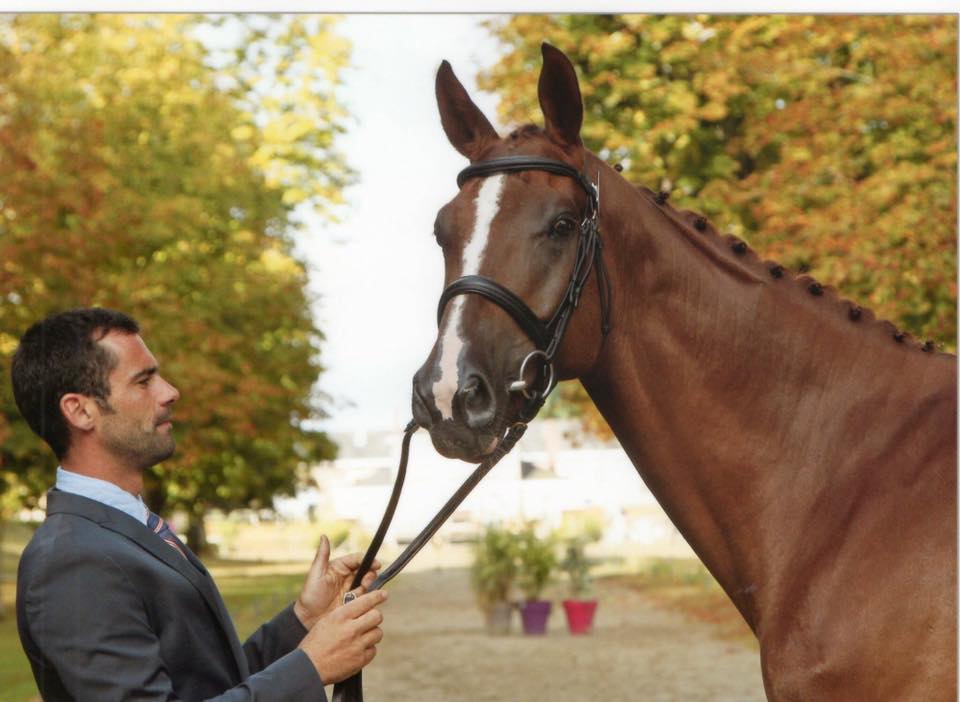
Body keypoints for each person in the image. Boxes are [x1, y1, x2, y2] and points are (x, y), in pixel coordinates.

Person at [11, 307, 387, 701]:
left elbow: (209, 686)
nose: (169, 391)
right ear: (80, 410)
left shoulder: (126, 530)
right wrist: (310, 667)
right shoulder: (71, 560)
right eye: (144, 381)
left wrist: (303, 621)